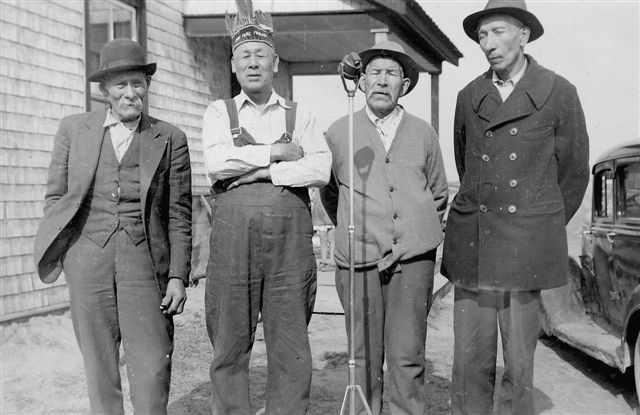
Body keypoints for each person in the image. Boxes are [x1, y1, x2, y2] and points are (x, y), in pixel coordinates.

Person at [441, 1, 590, 414]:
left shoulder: (558, 92)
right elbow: (466, 162)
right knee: (469, 361)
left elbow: (574, 175)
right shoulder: (469, 95)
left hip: (525, 247)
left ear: (523, 35)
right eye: (482, 35)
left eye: (499, 32)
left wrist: (535, 222)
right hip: (475, 245)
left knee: (519, 366)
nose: (489, 43)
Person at [33, 38, 192, 415]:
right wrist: (71, 256)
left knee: (153, 367)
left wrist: (177, 276)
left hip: (145, 262)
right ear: (105, 90)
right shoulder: (74, 130)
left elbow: (180, 214)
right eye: (121, 84)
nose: (130, 92)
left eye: (137, 83)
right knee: (99, 367)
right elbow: (56, 198)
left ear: (147, 87)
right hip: (88, 261)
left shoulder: (170, 137)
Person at [201, 9, 331, 414]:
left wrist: (259, 172)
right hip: (233, 245)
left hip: (289, 249)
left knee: (290, 344)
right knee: (229, 342)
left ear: (275, 63)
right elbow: (218, 163)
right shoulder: (219, 113)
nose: (253, 62)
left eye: (261, 54)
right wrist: (276, 152)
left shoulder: (300, 115)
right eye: (245, 56)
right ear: (234, 65)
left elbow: (319, 167)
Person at [321, 40, 448, 414]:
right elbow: (331, 193)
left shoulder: (423, 133)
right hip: (358, 258)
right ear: (360, 83)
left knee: (408, 356)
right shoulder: (339, 131)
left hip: (412, 262)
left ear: (404, 85)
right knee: (362, 358)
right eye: (373, 72)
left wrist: (410, 230)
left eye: (391, 73)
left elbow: (439, 193)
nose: (381, 81)